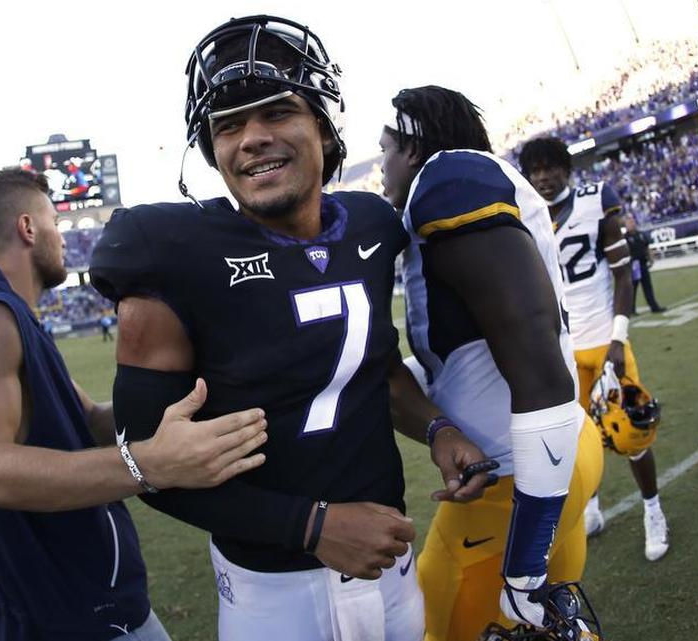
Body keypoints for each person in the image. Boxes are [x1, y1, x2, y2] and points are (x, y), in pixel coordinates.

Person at [90, 18, 491, 641]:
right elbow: (150, 469)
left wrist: (438, 430)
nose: (251, 139)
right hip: (276, 593)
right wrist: (312, 526)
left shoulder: (372, 224)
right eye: (227, 126)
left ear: (323, 127)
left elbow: (374, 371)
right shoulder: (171, 253)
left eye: (276, 113)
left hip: (391, 565)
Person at [0, 168, 269, 641]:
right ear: (28, 228)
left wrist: (201, 386)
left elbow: (89, 421)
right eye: (56, 221)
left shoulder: (11, 315)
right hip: (55, 612)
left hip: (74, 599)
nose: (63, 237)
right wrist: (150, 466)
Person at [378, 87, 603, 640]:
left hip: (519, 476)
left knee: (438, 624)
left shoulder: (448, 178)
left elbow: (538, 364)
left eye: (384, 150)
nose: (380, 168)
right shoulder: (467, 184)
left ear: (412, 147)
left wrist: (524, 563)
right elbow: (470, 350)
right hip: (555, 454)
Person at [520, 135, 668, 562]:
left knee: (631, 433)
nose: (544, 177)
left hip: (604, 339)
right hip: (563, 348)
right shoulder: (528, 214)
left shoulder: (596, 200)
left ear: (567, 169)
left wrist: (619, 338)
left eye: (551, 167)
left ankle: (653, 510)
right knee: (576, 440)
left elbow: (624, 277)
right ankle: (593, 505)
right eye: (536, 170)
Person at [623, 215, 666, 313]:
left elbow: (647, 247)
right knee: (633, 288)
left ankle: (654, 307)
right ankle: (631, 309)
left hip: (643, 263)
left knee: (648, 287)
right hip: (633, 265)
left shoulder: (641, 234)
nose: (632, 224)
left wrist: (651, 258)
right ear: (626, 225)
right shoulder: (625, 238)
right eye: (629, 223)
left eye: (633, 222)